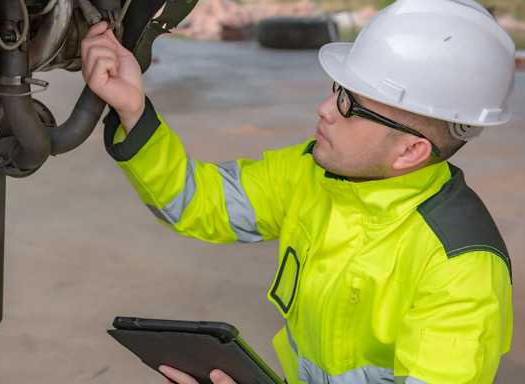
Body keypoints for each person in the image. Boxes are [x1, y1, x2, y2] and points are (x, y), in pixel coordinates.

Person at [81, 0, 515, 382]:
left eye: (351, 105)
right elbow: (197, 201)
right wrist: (134, 111)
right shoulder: (311, 173)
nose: (325, 110)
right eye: (338, 90)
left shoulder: (461, 270)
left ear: (410, 150)